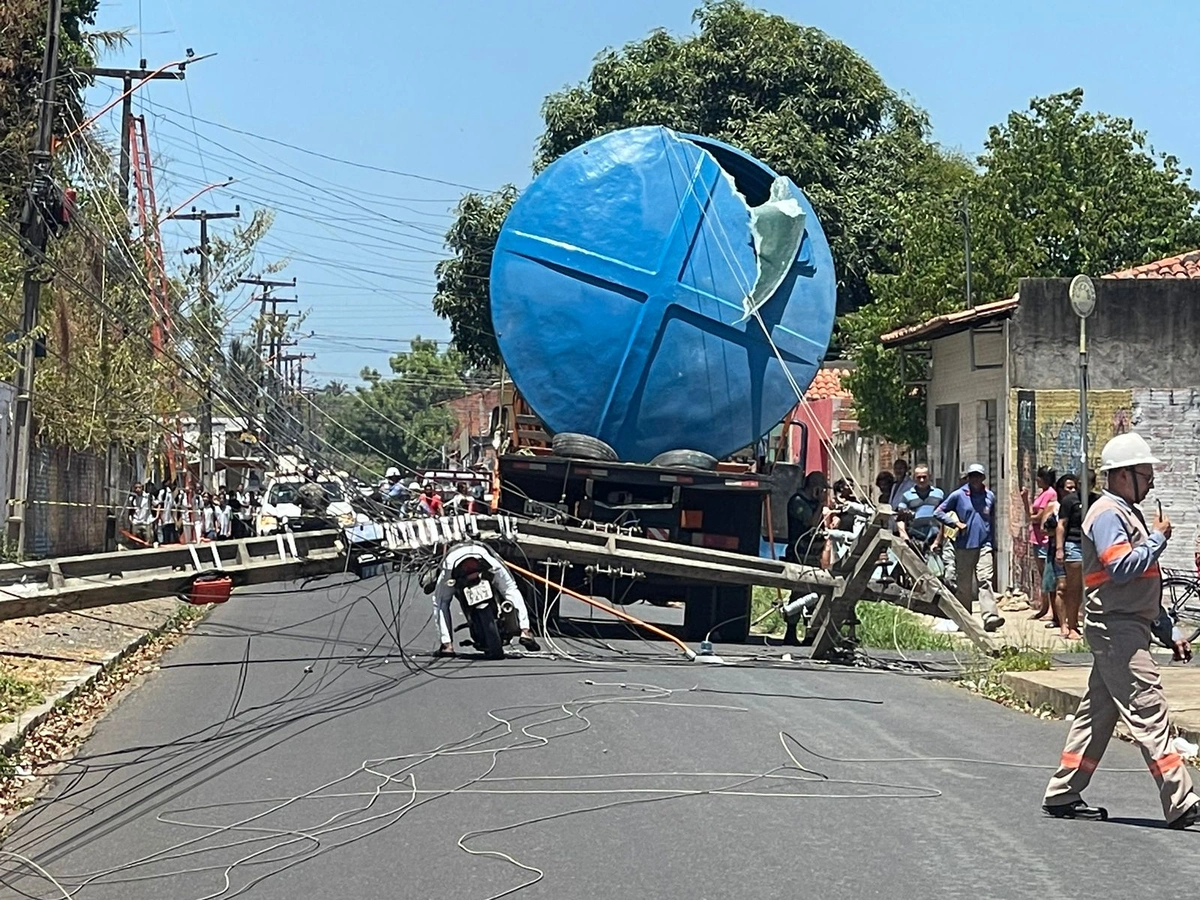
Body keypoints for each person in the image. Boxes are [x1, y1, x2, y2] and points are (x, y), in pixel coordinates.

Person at [1042, 432, 1200, 828]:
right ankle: (1182, 801)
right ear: (1123, 475)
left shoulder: (1127, 513)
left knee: (1097, 714)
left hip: (1125, 625)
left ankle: (1063, 792)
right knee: (1149, 712)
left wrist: (1169, 631)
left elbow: (1142, 584)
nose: (1150, 484)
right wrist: (1158, 540)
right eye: (1146, 476)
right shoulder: (1109, 514)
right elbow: (1122, 569)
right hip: (1117, 631)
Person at [431, 541, 540, 656]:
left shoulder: (448, 557)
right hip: (482, 559)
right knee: (510, 589)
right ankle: (525, 631)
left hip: (453, 565)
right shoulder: (482, 549)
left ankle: (447, 645)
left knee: (441, 602)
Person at [934, 463, 1005, 632]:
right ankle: (965, 620)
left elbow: (992, 521)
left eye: (978, 476)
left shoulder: (989, 496)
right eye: (972, 476)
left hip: (984, 545)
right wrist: (956, 523)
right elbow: (938, 512)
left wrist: (993, 543)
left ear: (983, 478)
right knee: (964, 585)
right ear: (968, 477)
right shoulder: (959, 495)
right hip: (964, 546)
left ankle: (990, 617)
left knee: (985, 579)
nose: (975, 479)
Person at [1022, 466, 1059, 620]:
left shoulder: (1050, 494)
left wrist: (1026, 501)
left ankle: (1052, 610)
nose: (1036, 480)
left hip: (1044, 539)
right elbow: (1032, 514)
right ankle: (1044, 607)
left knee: (1049, 575)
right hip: (1036, 538)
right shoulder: (1043, 493)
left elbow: (1036, 517)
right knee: (1042, 574)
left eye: (1039, 477)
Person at [1050, 473, 1083, 640]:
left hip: (1080, 547)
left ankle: (1073, 621)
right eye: (1068, 487)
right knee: (1063, 587)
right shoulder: (1059, 504)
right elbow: (1053, 527)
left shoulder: (1086, 502)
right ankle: (1065, 624)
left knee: (1075, 587)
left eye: (1073, 487)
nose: (1072, 490)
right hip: (1063, 548)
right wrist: (1059, 548)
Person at [897, 464, 944, 551]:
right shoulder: (907, 496)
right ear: (914, 478)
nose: (921, 480)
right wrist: (904, 536)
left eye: (924, 477)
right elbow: (900, 518)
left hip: (935, 539)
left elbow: (944, 519)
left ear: (929, 477)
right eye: (918, 477)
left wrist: (937, 542)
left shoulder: (939, 494)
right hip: (915, 540)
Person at [785, 471, 828, 565]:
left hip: (814, 554)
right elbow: (812, 524)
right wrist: (820, 504)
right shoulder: (798, 502)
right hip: (800, 554)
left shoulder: (814, 503)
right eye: (822, 490)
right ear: (816, 489)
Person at [126, 482, 155, 547]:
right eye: (136, 488)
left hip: (146, 521)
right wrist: (130, 518)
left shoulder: (148, 497)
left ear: (142, 488)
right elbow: (131, 509)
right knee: (135, 540)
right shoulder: (132, 498)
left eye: (139, 487)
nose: (138, 489)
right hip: (136, 521)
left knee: (148, 540)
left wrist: (157, 516)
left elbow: (157, 504)